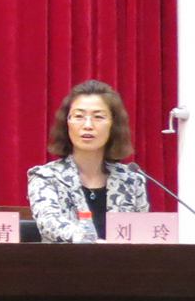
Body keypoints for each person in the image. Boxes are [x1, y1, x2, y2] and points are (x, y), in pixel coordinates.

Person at [27, 80, 148, 241]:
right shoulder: (46, 177)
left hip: (121, 259)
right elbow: (50, 224)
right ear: (67, 123)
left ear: (113, 125)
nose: (88, 125)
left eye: (98, 117)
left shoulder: (131, 181)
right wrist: (95, 244)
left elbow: (142, 236)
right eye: (79, 116)